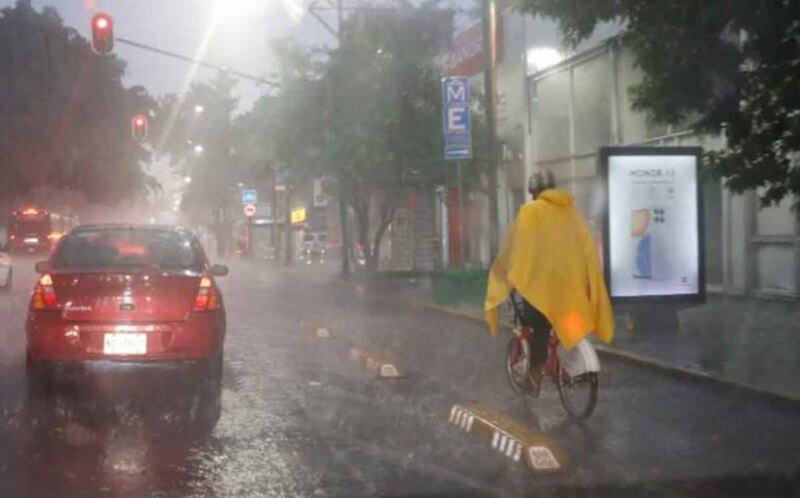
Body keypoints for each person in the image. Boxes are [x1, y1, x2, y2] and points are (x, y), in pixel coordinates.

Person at [485, 169, 614, 394]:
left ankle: (534, 377)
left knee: (538, 327)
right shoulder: (571, 212)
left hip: (540, 290)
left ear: (534, 192)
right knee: (570, 323)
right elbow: (586, 248)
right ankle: (568, 358)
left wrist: (506, 274)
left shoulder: (530, 212)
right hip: (571, 289)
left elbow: (516, 248)